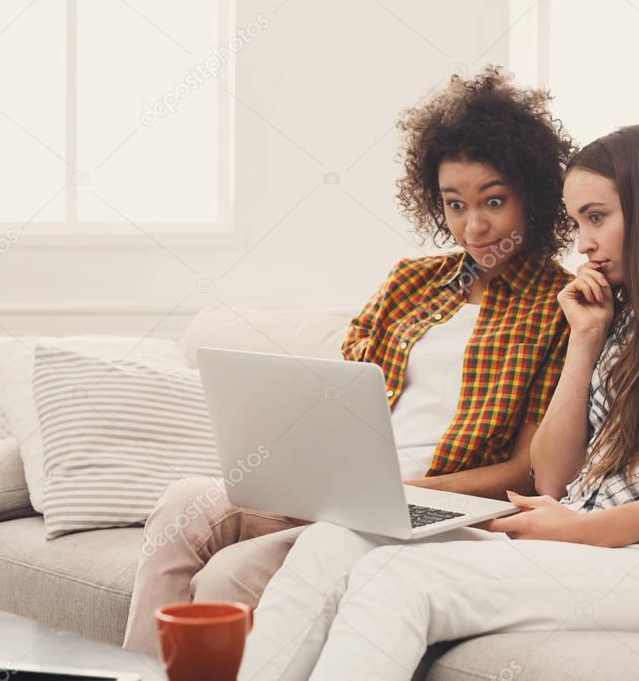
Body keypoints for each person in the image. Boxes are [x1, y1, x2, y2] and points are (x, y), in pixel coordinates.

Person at [235, 124, 639, 680]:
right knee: (333, 540)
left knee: (396, 577)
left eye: (597, 217)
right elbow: (554, 478)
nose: (583, 243)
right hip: (584, 539)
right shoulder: (617, 313)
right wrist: (586, 340)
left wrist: (588, 531)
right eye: (576, 221)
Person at [122, 66, 577, 655]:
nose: (474, 226)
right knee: (184, 501)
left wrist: (409, 487)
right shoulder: (410, 283)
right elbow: (338, 397)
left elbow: (528, 472)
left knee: (225, 580)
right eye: (454, 204)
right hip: (341, 489)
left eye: (494, 201)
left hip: (434, 506)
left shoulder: (558, 307)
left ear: (533, 196)